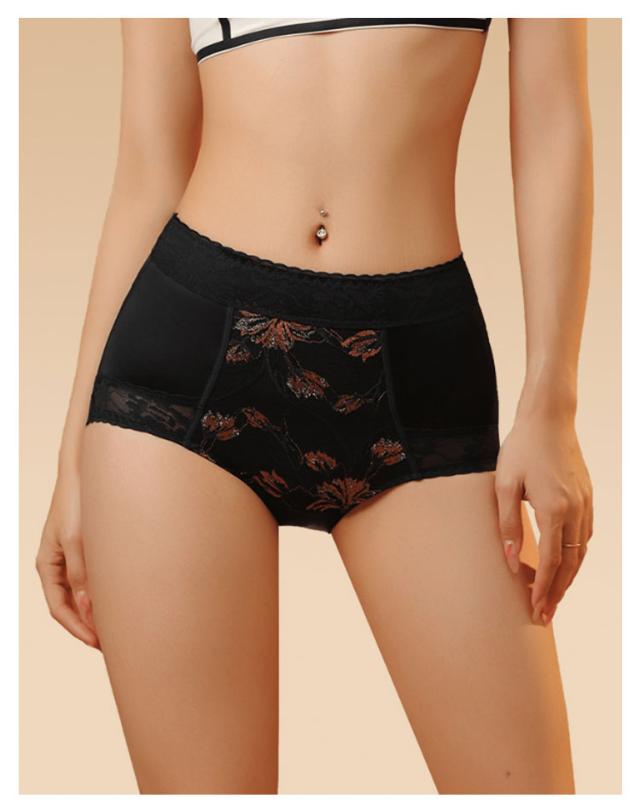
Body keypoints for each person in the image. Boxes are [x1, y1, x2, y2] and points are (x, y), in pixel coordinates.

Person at [35, 18, 594, 794]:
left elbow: (554, 122)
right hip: (183, 370)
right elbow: (149, 170)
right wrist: (71, 461)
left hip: (418, 368)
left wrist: (552, 402)